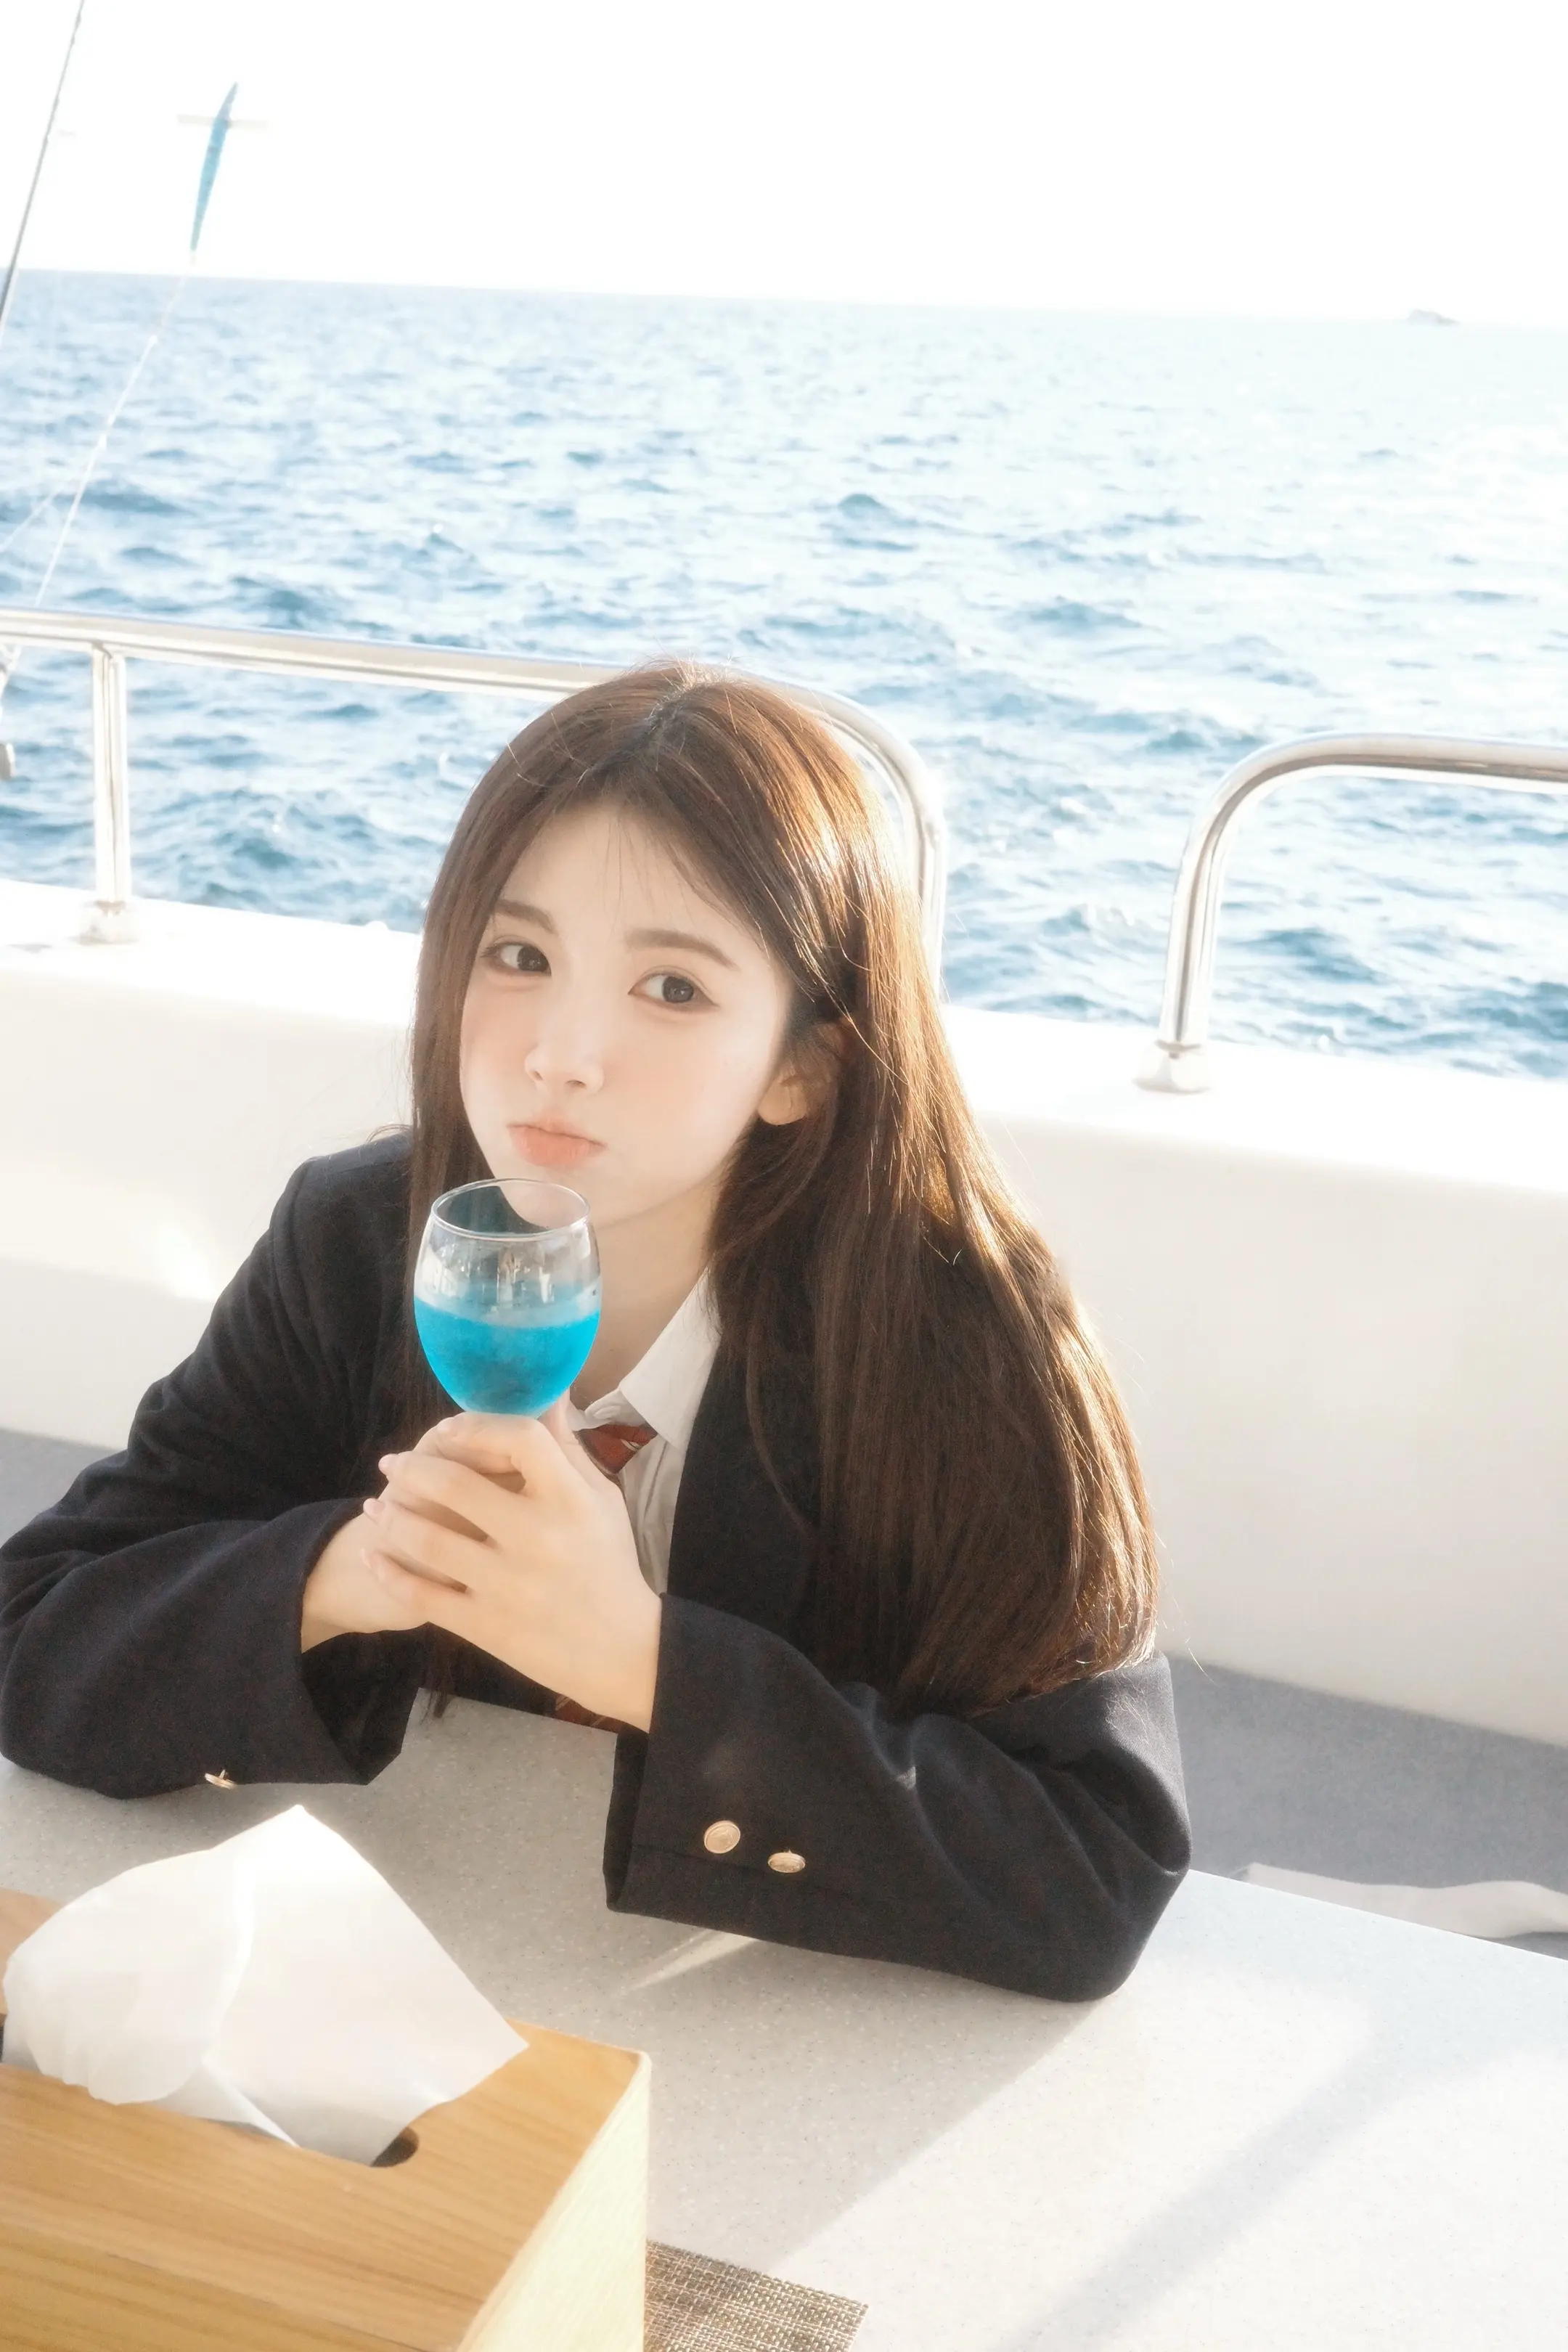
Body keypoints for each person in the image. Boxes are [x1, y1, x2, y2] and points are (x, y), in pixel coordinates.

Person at [0, 669, 1188, 1999]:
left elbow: (1098, 1868)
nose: (562, 1053)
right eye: (519, 958)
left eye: (672, 988)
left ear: (803, 1065)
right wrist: (351, 1570)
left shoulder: (968, 1347)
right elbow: (31, 1635)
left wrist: (644, 1662)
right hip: (406, 1982)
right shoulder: (356, 1245)